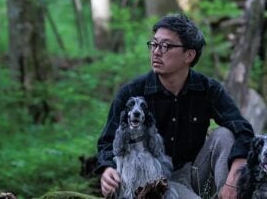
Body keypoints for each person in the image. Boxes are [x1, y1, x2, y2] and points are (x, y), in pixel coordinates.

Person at [96, 13, 254, 199]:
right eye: (154, 44)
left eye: (166, 46)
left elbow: (243, 130)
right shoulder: (132, 94)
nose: (156, 51)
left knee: (224, 134)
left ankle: (228, 196)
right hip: (152, 181)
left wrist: (233, 179)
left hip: (196, 173)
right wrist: (108, 169)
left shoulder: (207, 89)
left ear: (189, 55)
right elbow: (107, 141)